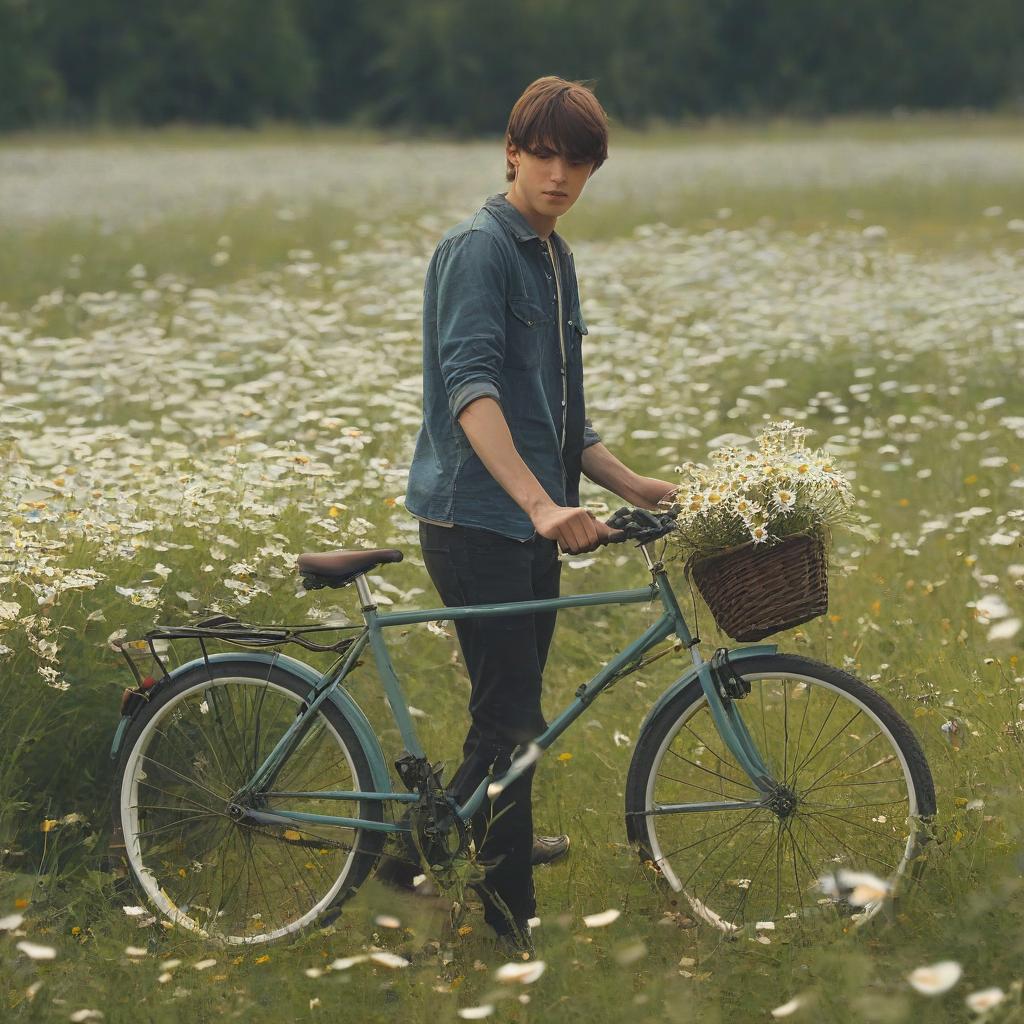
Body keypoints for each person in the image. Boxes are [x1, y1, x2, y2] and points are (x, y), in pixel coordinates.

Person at [394, 75, 678, 954]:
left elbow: (557, 410)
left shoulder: (554, 257)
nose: (559, 173)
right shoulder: (479, 251)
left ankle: (420, 865)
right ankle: (505, 923)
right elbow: (471, 391)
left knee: (509, 714)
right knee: (510, 717)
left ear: (593, 169)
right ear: (512, 153)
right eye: (544, 154)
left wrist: (628, 485)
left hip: (530, 519)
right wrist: (542, 505)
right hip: (475, 520)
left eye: (578, 160)